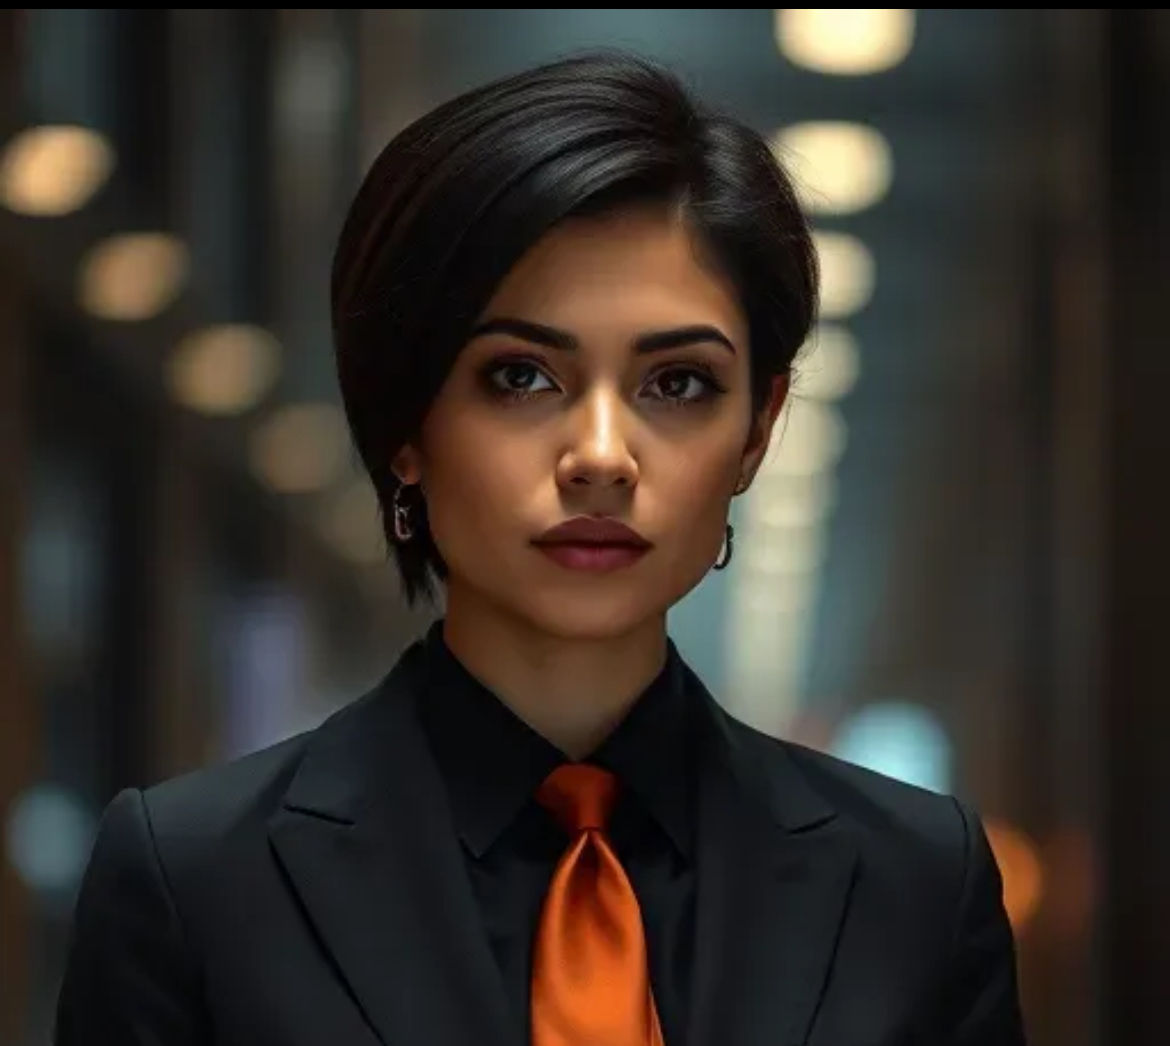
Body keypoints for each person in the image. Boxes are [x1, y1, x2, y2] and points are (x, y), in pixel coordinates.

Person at [54, 51, 1026, 1046]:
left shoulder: (914, 885)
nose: (601, 455)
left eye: (677, 383)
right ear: (406, 422)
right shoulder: (194, 882)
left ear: (757, 430)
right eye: (520, 376)